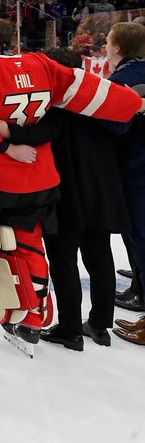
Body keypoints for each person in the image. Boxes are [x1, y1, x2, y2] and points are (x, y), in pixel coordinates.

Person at [0, 18, 145, 356]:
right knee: (24, 245)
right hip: (35, 180)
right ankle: (31, 319)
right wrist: (135, 103)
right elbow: (90, 89)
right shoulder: (42, 65)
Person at [0, 47, 127, 351]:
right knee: (100, 257)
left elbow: (43, 132)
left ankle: (71, 329)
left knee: (64, 262)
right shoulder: (99, 98)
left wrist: (8, 131)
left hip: (67, 194)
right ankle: (100, 325)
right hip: (100, 191)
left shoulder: (54, 103)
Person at [101, 22, 145, 345]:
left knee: (141, 240)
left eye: (107, 40)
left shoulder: (122, 80)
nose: (104, 45)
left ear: (117, 47)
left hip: (136, 172)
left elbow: (115, 128)